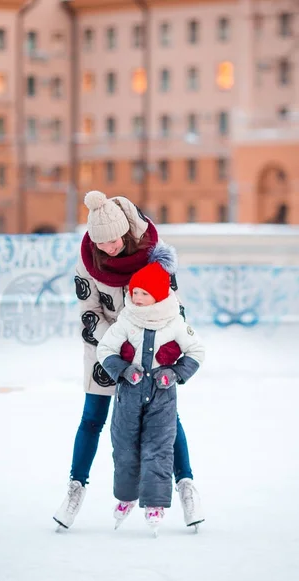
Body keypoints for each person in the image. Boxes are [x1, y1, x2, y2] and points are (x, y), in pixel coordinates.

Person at [53, 190, 203, 529]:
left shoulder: (154, 253)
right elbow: (88, 310)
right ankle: (75, 488)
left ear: (126, 232)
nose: (108, 248)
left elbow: (172, 304)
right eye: (101, 243)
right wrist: (119, 343)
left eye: (114, 241)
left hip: (151, 349)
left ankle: (187, 487)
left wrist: (152, 345)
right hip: (105, 348)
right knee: (92, 418)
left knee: (167, 422)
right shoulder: (88, 260)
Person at [96, 244, 205, 534]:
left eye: (144, 293)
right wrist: (122, 369)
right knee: (124, 447)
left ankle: (155, 503)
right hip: (129, 395)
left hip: (162, 397)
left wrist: (175, 373)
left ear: (157, 294)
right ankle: (126, 497)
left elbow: (196, 351)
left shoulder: (174, 321)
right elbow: (105, 348)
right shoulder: (127, 319)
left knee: (158, 449)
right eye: (135, 293)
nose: (138, 298)